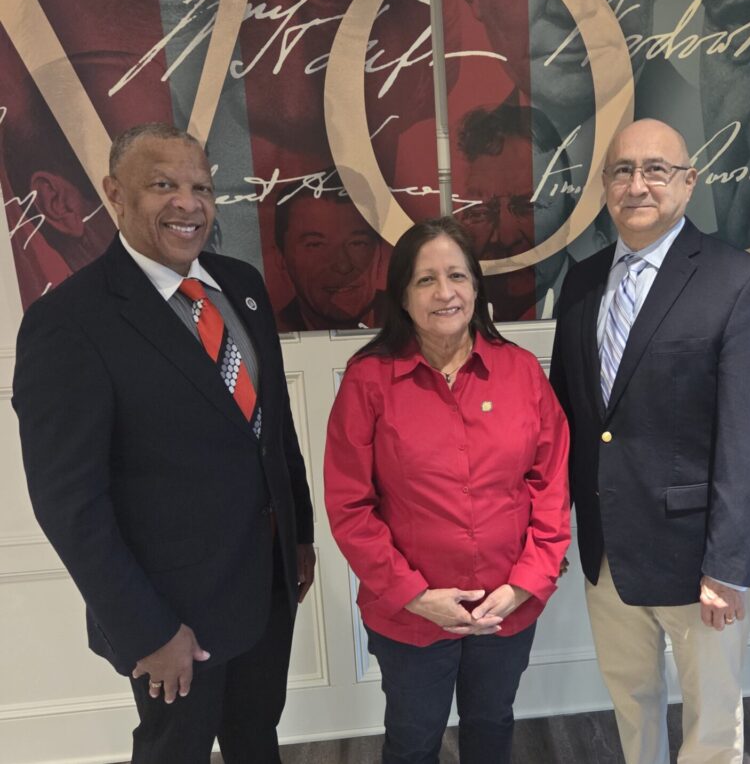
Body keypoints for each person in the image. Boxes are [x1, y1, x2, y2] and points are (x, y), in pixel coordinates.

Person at [12, 123, 316, 763]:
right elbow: (69, 505)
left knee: (257, 738)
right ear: (114, 193)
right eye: (162, 185)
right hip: (174, 616)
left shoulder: (241, 286)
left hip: (265, 587)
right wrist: (147, 631)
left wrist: (299, 538)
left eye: (200, 187)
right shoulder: (68, 323)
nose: (188, 203)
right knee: (173, 752)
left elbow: (273, 428)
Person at [549, 118, 750, 764]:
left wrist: (731, 565)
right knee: (630, 702)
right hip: (607, 548)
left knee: (711, 722)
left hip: (699, 561)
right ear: (605, 185)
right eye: (622, 171)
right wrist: (550, 530)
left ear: (689, 182)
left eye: (656, 170)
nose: (637, 185)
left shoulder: (740, 281)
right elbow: (567, 418)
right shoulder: (581, 281)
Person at [324, 216, 571, 764]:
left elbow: (551, 487)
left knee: (491, 725)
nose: (445, 293)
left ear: (476, 288)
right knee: (413, 740)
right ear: (403, 296)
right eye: (425, 279)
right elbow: (350, 507)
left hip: (505, 606)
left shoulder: (521, 373)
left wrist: (525, 583)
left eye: (457, 276)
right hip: (410, 614)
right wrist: (415, 596)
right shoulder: (368, 381)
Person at [457, 103, 575, 321]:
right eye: (481, 211)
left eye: (529, 207)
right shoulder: (452, 317)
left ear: (568, 215)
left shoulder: (603, 307)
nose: (506, 237)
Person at [272, 186, 390, 331]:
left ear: (380, 253)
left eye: (357, 243)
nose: (343, 266)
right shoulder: (265, 332)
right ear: (281, 258)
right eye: (316, 245)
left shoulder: (409, 319)